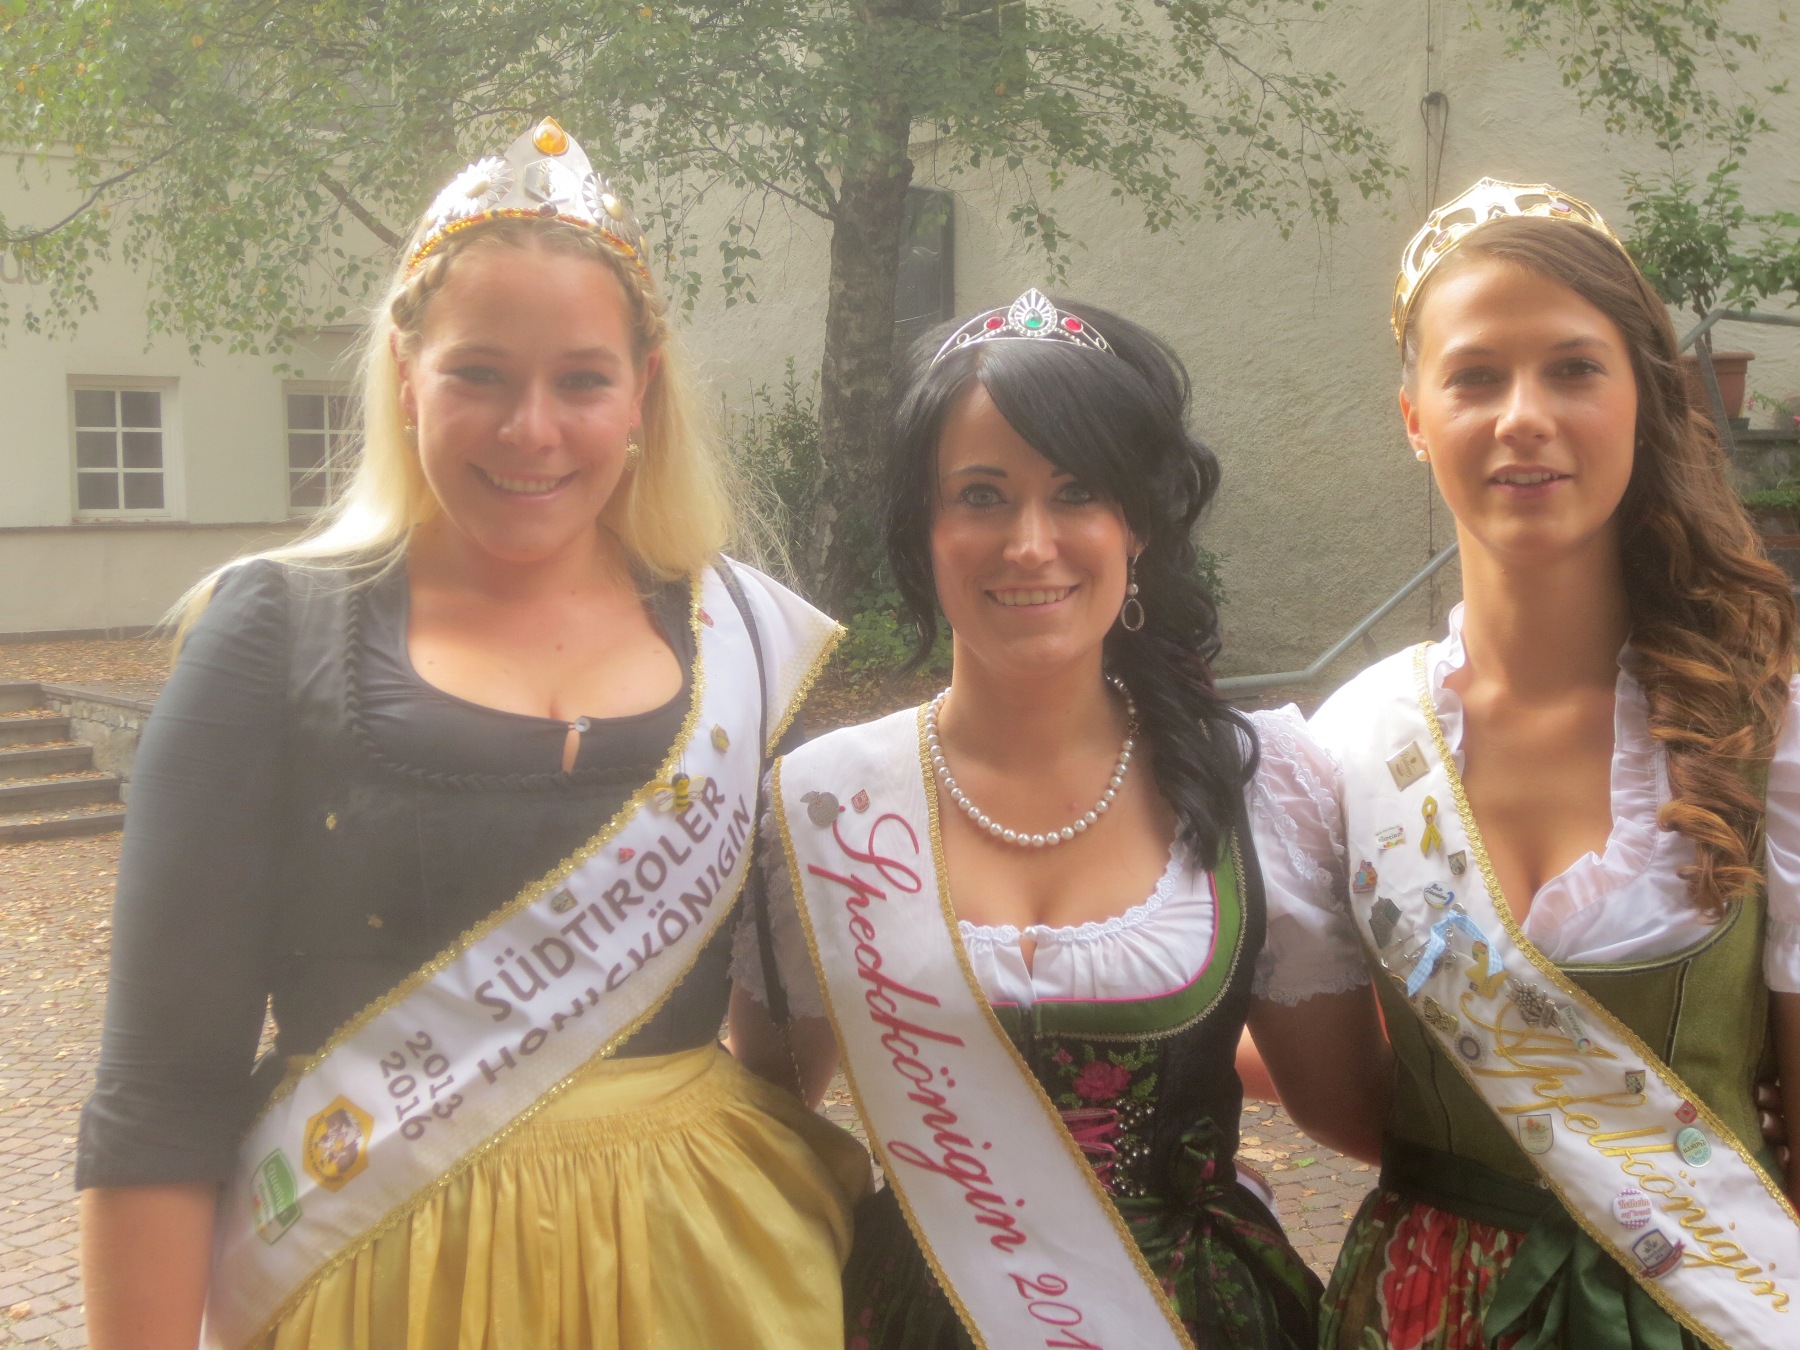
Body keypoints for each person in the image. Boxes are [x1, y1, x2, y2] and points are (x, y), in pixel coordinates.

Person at [76, 118, 868, 1350]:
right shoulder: (272, 631)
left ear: (644, 389)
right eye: (480, 374)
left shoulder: (743, 638)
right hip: (379, 1275)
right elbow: (160, 1087)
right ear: (407, 375)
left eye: (583, 380)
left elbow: (788, 1009)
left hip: (702, 1265)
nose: (530, 429)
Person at [729, 289, 1391, 1350]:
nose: (1030, 543)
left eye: (1077, 491)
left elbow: (1356, 1109)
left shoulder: (1254, 783)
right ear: (923, 529)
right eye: (981, 496)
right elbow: (768, 1132)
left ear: (1137, 524)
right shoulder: (822, 804)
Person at [1310, 178, 1800, 1349]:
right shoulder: (1349, 744)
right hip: (1422, 1316)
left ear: (1645, 400)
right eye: (1476, 376)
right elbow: (1330, 1075)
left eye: (1574, 369)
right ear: (1415, 418)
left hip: (1713, 1311)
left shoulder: (1768, 732)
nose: (1523, 416)